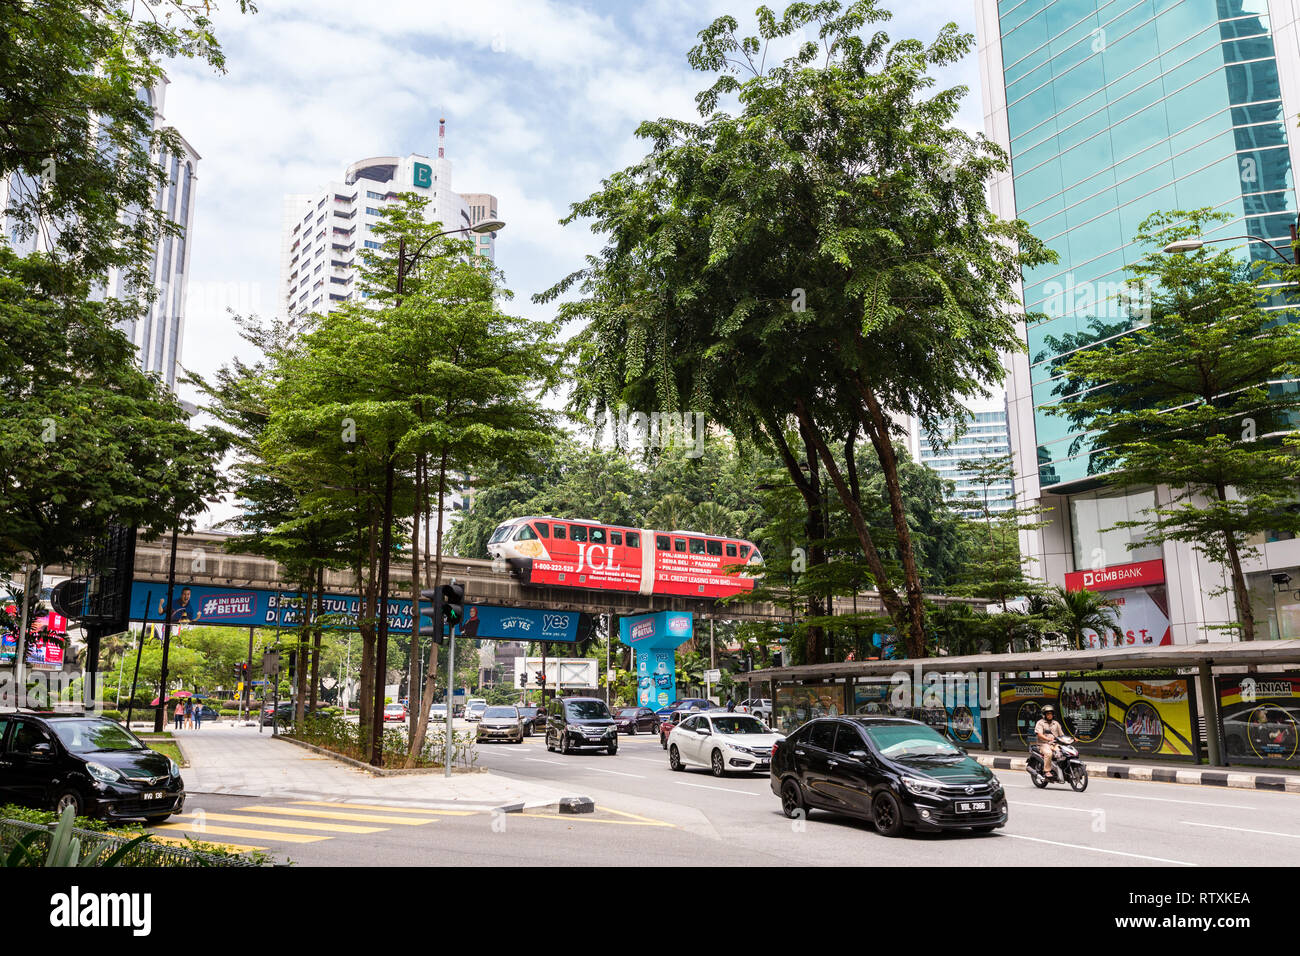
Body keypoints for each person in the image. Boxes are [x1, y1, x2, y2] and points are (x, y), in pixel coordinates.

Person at [1034, 703, 1065, 779]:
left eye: (1051, 714)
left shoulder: (1056, 723)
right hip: (1043, 744)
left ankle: (1061, 769)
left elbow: (1061, 735)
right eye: (1048, 714)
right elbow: (1039, 735)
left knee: (1063, 753)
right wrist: (1048, 739)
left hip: (1054, 744)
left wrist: (1071, 739)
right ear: (1044, 715)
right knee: (1049, 753)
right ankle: (1047, 771)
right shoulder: (1040, 723)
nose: (1049, 715)